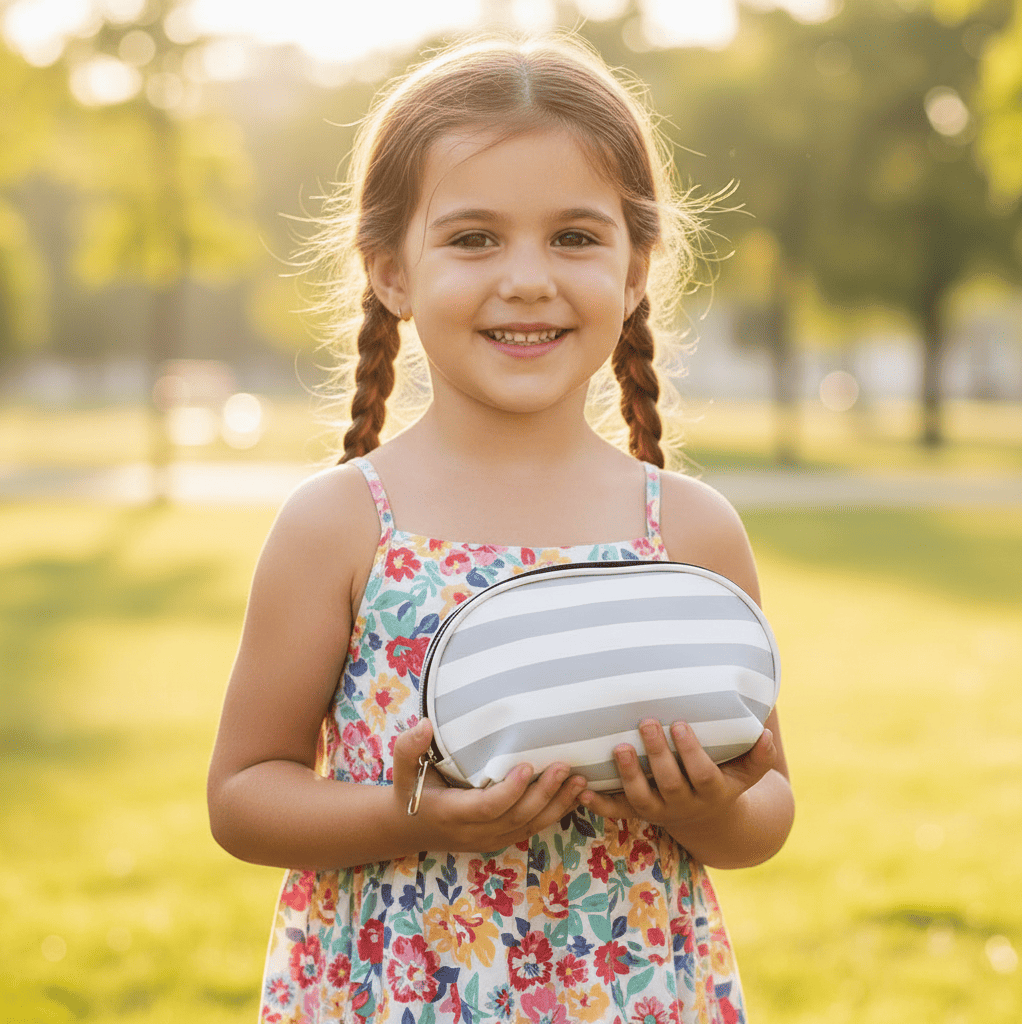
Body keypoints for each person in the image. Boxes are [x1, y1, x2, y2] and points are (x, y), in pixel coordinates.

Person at [207, 33, 794, 1024]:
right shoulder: (341, 525)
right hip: (398, 994)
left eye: (575, 237)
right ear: (391, 271)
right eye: (474, 238)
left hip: (631, 997)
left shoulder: (690, 531)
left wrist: (711, 809)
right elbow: (242, 795)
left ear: (637, 269)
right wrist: (411, 816)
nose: (527, 277)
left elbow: (768, 803)